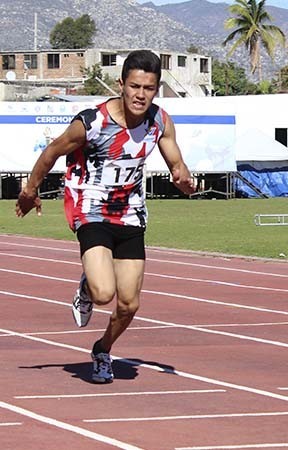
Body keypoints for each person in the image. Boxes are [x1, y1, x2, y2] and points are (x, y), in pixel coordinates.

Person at [15, 50, 195, 384]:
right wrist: (30, 191)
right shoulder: (92, 122)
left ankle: (102, 349)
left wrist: (184, 179)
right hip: (92, 211)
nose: (141, 95)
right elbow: (51, 152)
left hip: (130, 215)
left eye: (149, 88)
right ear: (121, 84)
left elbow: (177, 164)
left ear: (157, 89)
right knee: (102, 294)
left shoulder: (160, 121)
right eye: (135, 86)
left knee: (128, 305)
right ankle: (88, 284)